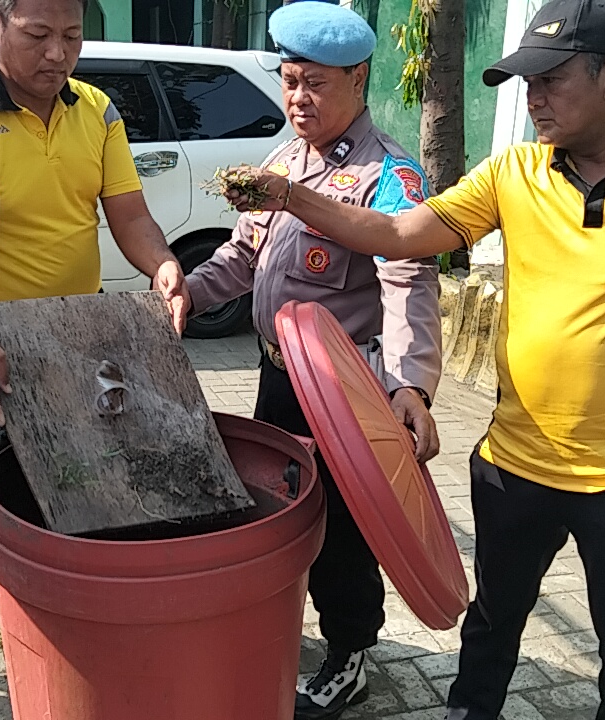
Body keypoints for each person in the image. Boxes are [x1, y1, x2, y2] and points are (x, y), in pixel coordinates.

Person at [223, 1, 605, 718]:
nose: (532, 99)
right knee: (490, 629)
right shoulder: (515, 171)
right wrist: (289, 195)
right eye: (525, 82)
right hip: (514, 465)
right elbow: (396, 233)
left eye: (549, 81)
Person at [187, 3, 443, 717]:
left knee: (342, 529)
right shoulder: (281, 159)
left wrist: (411, 385)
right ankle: (285, 630)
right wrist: (184, 297)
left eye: (316, 84)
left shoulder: (388, 176)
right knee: (278, 510)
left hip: (344, 387)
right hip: (278, 375)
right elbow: (241, 259)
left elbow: (408, 280)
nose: (298, 98)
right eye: (290, 81)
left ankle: (351, 651)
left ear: (359, 79)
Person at [0, 0, 190, 444]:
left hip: (86, 326)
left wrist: (162, 264)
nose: (58, 54)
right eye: (38, 36)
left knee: (101, 457)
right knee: (19, 481)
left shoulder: (98, 110)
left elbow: (130, 215)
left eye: (72, 36)